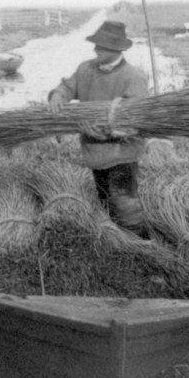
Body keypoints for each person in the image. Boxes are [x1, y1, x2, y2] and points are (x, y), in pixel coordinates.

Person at [47, 20, 149, 228]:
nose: (96, 49)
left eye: (102, 46)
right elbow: (67, 86)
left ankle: (139, 241)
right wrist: (58, 94)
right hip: (95, 153)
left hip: (122, 155)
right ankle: (116, 238)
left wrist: (106, 134)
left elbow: (137, 124)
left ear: (117, 49)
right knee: (105, 199)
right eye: (96, 44)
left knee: (125, 204)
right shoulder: (85, 69)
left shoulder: (133, 77)